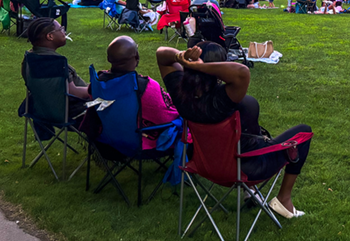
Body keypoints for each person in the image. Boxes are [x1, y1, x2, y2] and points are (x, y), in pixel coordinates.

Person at [156, 43, 313, 218]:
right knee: (303, 132)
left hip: (205, 165)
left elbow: (161, 54)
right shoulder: (228, 99)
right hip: (246, 169)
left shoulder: (181, 94)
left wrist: (181, 57)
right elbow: (241, 72)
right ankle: (284, 200)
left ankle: (250, 192)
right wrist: (201, 66)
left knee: (245, 133)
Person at [89, 36, 181, 149]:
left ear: (109, 58)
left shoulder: (99, 82)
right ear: (137, 56)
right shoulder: (144, 87)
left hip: (108, 139)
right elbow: (168, 117)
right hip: (139, 143)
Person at [20, 18, 89, 120]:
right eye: (61, 29)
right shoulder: (54, 63)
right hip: (69, 111)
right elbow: (73, 92)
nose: (64, 32)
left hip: (40, 110)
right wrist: (95, 90)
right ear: (50, 36)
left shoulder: (29, 58)